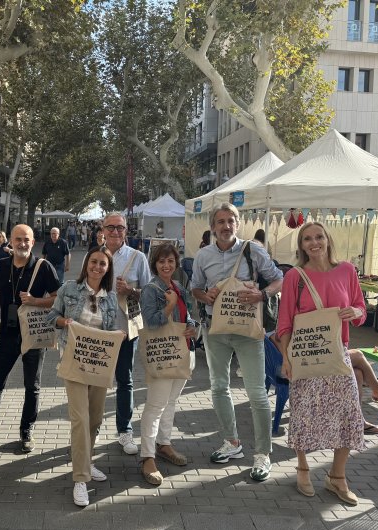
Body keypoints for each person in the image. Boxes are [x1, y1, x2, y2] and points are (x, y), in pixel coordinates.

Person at [190, 203, 282, 481]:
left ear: (238, 224)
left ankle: (263, 454)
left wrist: (262, 295)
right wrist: (203, 296)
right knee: (219, 387)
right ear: (212, 226)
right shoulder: (203, 255)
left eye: (231, 220)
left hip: (247, 330)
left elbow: (280, 279)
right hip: (215, 330)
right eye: (221, 221)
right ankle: (232, 442)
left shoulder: (254, 250)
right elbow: (194, 286)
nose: (226, 225)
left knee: (256, 394)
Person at [276, 222, 366, 505]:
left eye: (318, 237)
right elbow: (285, 321)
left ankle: (337, 476)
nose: (314, 243)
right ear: (301, 246)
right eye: (307, 239)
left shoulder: (347, 270)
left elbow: (361, 310)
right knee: (303, 413)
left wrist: (355, 311)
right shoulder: (295, 276)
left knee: (349, 413)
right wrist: (286, 357)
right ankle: (303, 468)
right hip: (305, 355)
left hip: (338, 354)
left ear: (327, 239)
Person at [46, 246, 117, 507]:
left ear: (107, 269)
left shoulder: (110, 297)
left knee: (96, 418)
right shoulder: (69, 289)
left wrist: (117, 337)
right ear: (86, 263)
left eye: (103, 264)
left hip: (99, 364)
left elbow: (111, 329)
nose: (97, 267)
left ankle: (86, 462)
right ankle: (80, 479)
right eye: (94, 262)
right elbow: (51, 316)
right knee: (80, 417)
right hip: (73, 361)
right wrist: (65, 322)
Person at [0, 224, 60, 453]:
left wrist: (36, 301)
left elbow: (58, 299)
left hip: (34, 334)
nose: (22, 244)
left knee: (31, 386)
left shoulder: (44, 268)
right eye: (18, 239)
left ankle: (26, 430)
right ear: (10, 243)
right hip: (6, 333)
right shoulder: (2, 266)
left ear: (33, 242)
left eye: (26, 239)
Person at [139, 244, 196, 486]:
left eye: (171, 261)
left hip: (183, 352)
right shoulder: (151, 290)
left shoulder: (179, 287)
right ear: (155, 264)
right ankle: (147, 456)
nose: (166, 265)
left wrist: (192, 324)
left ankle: (164, 444)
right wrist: (169, 306)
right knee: (155, 405)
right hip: (163, 354)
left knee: (171, 402)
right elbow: (151, 323)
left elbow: (187, 315)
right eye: (162, 261)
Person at [101, 213, 151, 455]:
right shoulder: (95, 257)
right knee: (96, 381)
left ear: (126, 231)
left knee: (125, 381)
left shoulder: (137, 257)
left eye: (119, 227)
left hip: (126, 330)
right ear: (102, 229)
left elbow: (150, 295)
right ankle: (93, 427)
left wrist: (131, 290)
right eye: (110, 227)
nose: (115, 232)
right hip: (98, 330)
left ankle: (125, 430)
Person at [347, 349, 378, 435]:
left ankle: (359, 421)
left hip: (331, 354)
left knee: (357, 373)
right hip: (318, 358)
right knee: (358, 355)